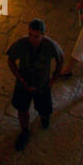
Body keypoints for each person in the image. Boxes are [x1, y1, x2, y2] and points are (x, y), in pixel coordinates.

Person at [7, 19, 64, 151]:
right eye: (30, 35)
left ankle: (44, 118)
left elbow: (60, 58)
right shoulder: (21, 44)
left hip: (42, 85)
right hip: (24, 84)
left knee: (44, 108)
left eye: (36, 36)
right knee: (22, 109)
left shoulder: (49, 46)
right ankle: (25, 131)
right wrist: (19, 78)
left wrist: (54, 78)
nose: (32, 39)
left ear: (43, 35)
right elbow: (10, 60)